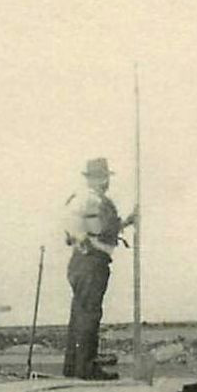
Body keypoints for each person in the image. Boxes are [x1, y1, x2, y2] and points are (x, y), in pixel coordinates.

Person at [61, 157, 137, 379]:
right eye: (100, 177)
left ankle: (75, 367)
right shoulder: (85, 198)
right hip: (89, 261)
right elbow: (69, 219)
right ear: (91, 179)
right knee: (88, 315)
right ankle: (86, 368)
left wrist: (127, 222)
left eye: (105, 178)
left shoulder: (97, 200)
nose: (104, 182)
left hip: (94, 261)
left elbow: (104, 228)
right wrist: (80, 239)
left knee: (82, 314)